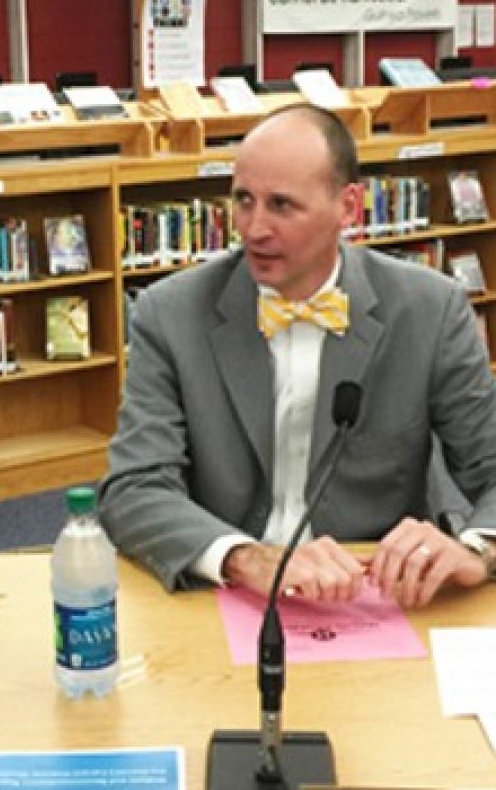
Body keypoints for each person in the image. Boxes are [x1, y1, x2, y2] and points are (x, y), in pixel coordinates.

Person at [100, 103, 496, 608]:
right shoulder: (169, 313)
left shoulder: (430, 311)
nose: (254, 228)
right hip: (224, 587)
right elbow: (132, 488)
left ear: (348, 206)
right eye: (244, 200)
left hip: (376, 588)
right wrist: (245, 557)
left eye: (282, 205)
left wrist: (477, 549)